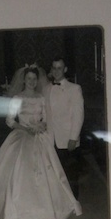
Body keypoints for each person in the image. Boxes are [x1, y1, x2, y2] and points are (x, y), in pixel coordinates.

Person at [0, 65, 82, 219]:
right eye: (29, 78)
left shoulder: (41, 98)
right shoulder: (17, 98)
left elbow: (46, 118)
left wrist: (41, 126)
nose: (32, 82)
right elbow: (10, 120)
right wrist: (25, 129)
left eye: (34, 79)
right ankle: (14, 209)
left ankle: (47, 208)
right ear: (24, 80)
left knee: (47, 170)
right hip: (21, 136)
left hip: (39, 137)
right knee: (19, 170)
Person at [44, 57, 84, 199]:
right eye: (54, 68)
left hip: (68, 139)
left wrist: (73, 137)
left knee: (70, 174)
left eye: (59, 68)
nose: (56, 71)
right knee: (55, 174)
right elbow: (46, 113)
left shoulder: (74, 89)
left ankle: (74, 203)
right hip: (50, 138)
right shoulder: (46, 89)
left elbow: (78, 115)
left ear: (65, 69)